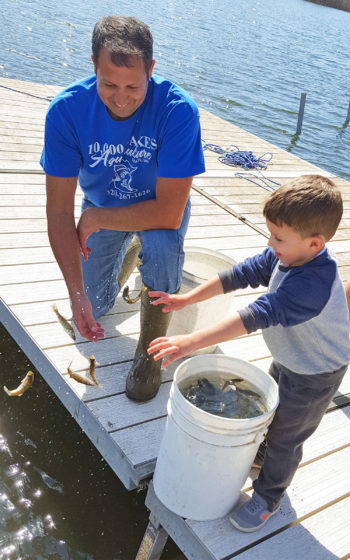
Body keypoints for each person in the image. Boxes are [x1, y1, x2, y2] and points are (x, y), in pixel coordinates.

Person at [147, 175, 350, 532]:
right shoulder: (289, 253)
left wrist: (190, 341)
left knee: (288, 437)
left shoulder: (311, 285)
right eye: (270, 234)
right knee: (270, 411)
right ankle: (262, 454)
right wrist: (186, 298)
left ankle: (269, 495)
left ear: (315, 243)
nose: (270, 244)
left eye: (278, 238)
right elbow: (241, 274)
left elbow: (255, 315)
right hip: (292, 356)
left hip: (316, 372)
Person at [40, 15, 205, 402]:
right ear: (93, 66)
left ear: (151, 69)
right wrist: (76, 294)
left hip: (156, 210)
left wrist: (96, 217)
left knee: (162, 247)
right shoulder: (65, 112)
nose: (121, 98)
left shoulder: (179, 111)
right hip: (102, 205)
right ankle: (130, 253)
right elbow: (60, 214)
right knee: (93, 308)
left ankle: (149, 350)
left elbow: (168, 213)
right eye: (108, 84)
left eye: (134, 86)